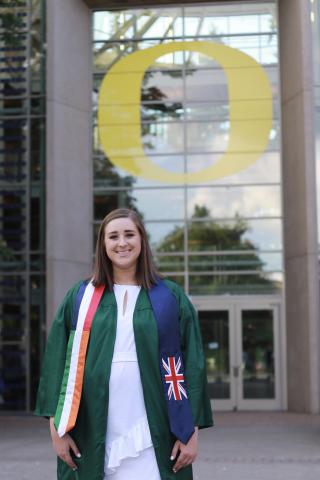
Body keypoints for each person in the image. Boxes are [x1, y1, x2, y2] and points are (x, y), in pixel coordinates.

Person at [35, 208, 213, 480]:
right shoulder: (81, 297)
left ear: (142, 240)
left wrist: (192, 432)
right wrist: (56, 430)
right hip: (94, 420)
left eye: (129, 234)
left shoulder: (170, 296)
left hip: (154, 416)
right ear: (103, 245)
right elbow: (57, 362)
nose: (122, 243)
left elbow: (192, 365)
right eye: (113, 236)